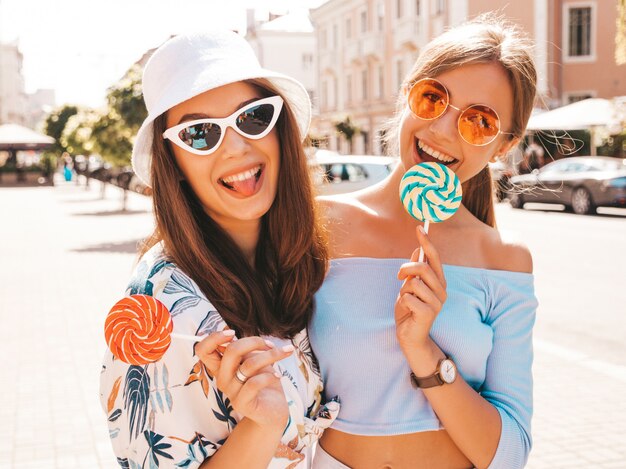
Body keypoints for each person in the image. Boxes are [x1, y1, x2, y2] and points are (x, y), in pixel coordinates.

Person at [99, 31, 338, 469]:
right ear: (173, 164)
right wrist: (261, 427)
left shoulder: (298, 261)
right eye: (200, 132)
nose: (236, 147)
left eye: (252, 118)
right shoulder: (159, 311)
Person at [309, 15, 538, 469]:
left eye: (479, 122)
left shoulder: (505, 260)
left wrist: (425, 353)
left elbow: (510, 454)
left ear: (502, 147)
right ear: (407, 95)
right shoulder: (320, 224)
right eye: (433, 98)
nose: (441, 131)